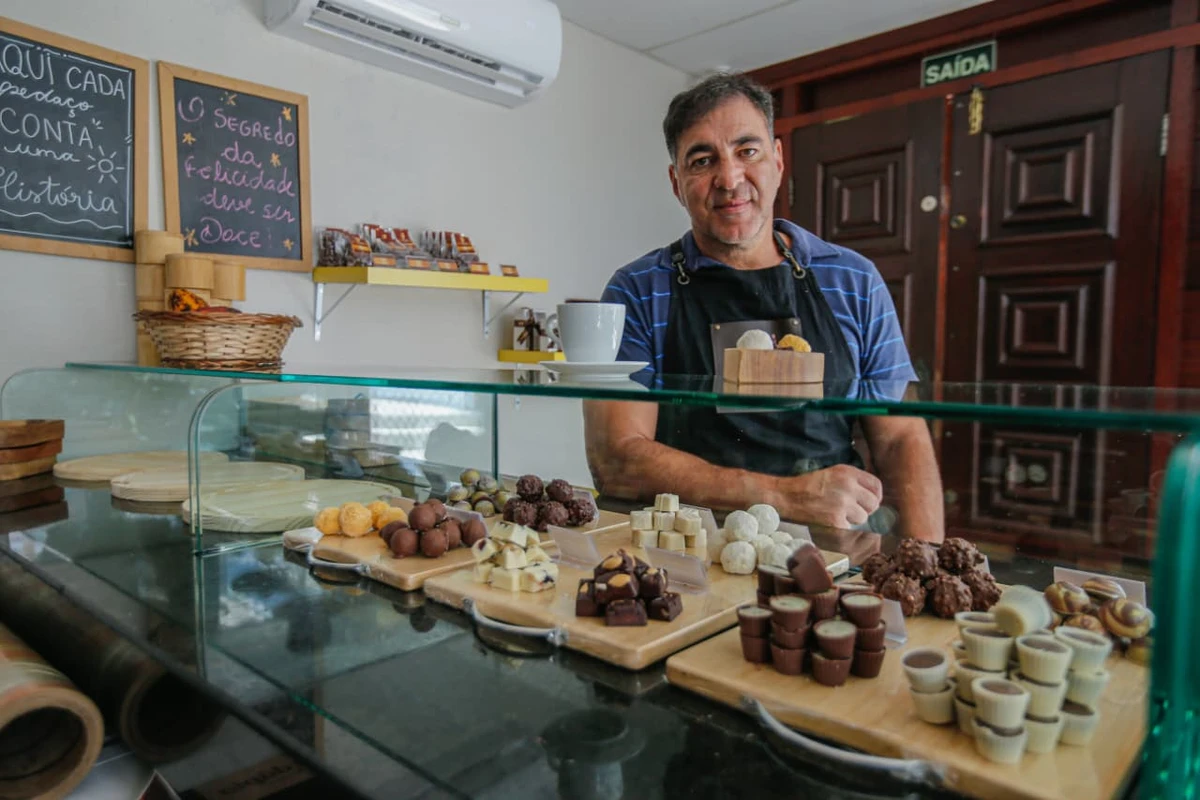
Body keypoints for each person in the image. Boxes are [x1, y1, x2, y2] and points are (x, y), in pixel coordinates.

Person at [582, 73, 943, 542]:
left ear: (777, 159)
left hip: (833, 548)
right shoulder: (637, 289)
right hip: (686, 553)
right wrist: (785, 496)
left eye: (746, 151)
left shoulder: (853, 280)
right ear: (677, 183)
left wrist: (927, 562)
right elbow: (618, 461)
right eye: (702, 159)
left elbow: (900, 439)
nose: (730, 179)